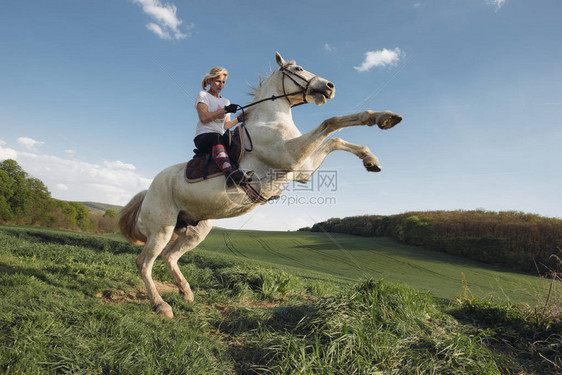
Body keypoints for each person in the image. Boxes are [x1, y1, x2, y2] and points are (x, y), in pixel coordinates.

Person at [194, 67, 252, 187]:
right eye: (218, 81)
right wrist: (223, 110)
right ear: (209, 81)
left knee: (234, 143)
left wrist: (239, 119)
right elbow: (203, 118)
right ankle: (230, 173)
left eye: (223, 82)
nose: (221, 85)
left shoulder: (226, 101)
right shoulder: (203, 95)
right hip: (203, 136)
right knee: (217, 137)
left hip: (219, 138)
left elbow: (226, 125)